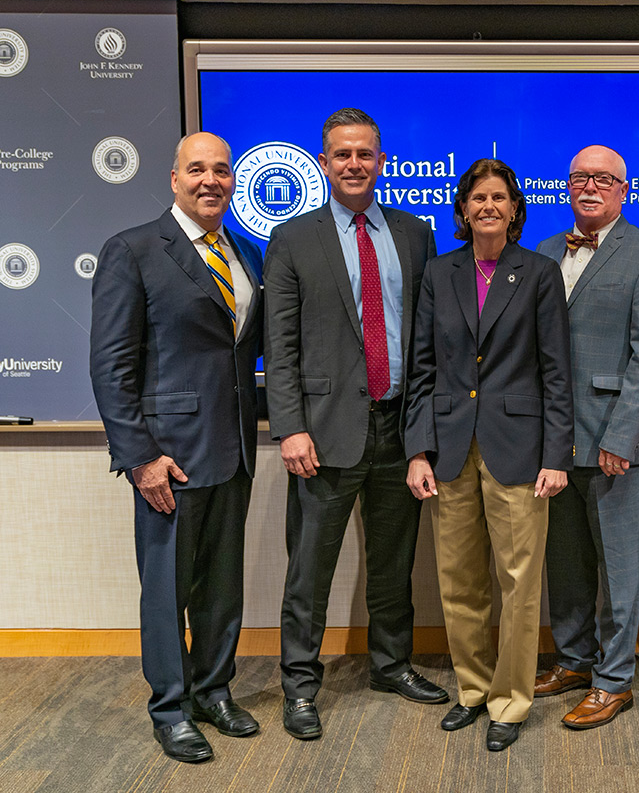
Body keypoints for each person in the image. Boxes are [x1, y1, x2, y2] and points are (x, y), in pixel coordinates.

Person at [263, 107, 446, 741]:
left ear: (382, 160)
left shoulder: (415, 233)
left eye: (365, 154)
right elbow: (278, 344)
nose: (353, 164)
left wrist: (424, 434)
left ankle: (391, 664)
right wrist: (288, 426)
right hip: (322, 432)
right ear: (322, 162)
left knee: (394, 561)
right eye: (341, 154)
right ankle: (300, 685)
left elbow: (426, 344)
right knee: (309, 568)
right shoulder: (292, 238)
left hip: (399, 429)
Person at [90, 131, 263, 763]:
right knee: (167, 588)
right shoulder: (132, 250)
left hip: (234, 449)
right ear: (172, 178)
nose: (211, 181)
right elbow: (111, 366)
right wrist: (139, 456)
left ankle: (214, 690)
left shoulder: (245, 254)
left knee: (222, 584)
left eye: (221, 170)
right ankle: (169, 707)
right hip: (169, 456)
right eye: (197, 170)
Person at [405, 158, 573, 752]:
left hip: (521, 451)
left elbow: (557, 371)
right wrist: (418, 449)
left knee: (520, 582)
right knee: (459, 581)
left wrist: (558, 453)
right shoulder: (438, 272)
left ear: (515, 208)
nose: (488, 207)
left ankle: (510, 701)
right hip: (450, 449)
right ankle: (472, 691)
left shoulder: (539, 273)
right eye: (477, 197)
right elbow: (422, 368)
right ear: (462, 208)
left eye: (499, 197)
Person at [533, 145, 639, 729]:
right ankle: (573, 660)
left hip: (614, 440)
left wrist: (623, 435)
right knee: (565, 564)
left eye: (603, 179)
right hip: (552, 443)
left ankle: (614, 680)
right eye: (579, 178)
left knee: (619, 569)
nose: (589, 187)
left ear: (625, 189)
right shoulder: (544, 251)